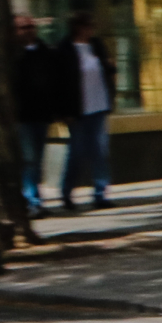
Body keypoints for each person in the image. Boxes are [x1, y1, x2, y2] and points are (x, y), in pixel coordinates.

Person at [8, 14, 67, 218]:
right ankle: (32, 201)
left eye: (31, 26)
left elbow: (56, 82)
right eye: (23, 27)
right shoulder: (12, 56)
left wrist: (58, 109)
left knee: (37, 159)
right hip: (22, 116)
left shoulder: (45, 52)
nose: (28, 31)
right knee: (29, 159)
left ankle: (34, 199)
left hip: (42, 114)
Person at [60, 11, 115, 212]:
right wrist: (65, 111)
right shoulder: (65, 49)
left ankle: (100, 193)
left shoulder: (97, 46)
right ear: (78, 27)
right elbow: (62, 84)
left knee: (100, 151)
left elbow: (108, 70)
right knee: (77, 152)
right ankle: (67, 193)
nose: (91, 30)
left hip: (99, 107)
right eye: (88, 26)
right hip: (78, 111)